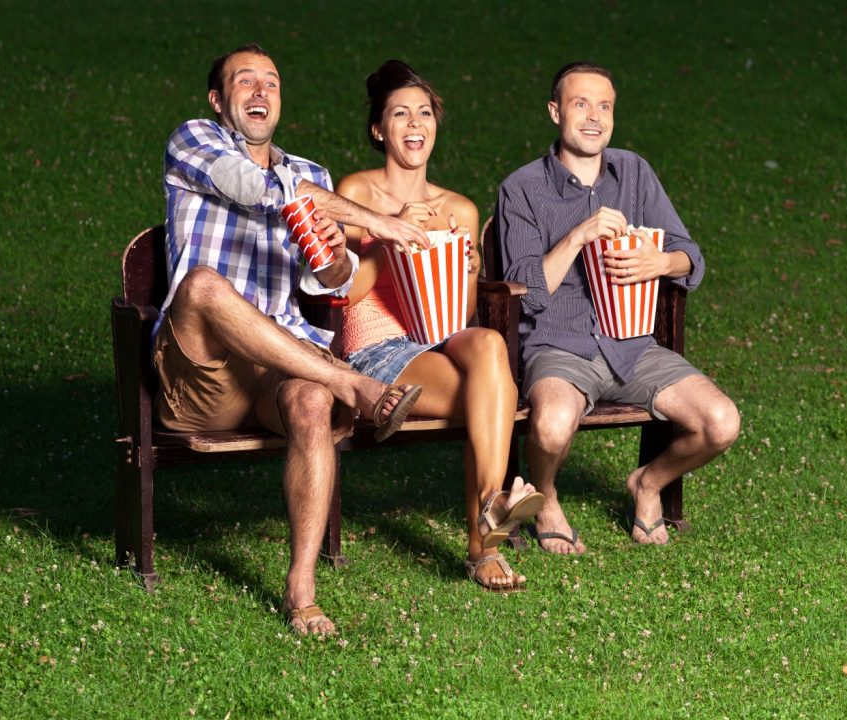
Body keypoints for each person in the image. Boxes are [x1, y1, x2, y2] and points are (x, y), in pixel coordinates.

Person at [156, 44, 434, 637]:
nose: (260, 92)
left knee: (310, 400)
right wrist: (376, 221)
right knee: (204, 285)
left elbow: (327, 281)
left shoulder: (312, 176)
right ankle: (353, 384)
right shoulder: (193, 141)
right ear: (217, 98)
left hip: (274, 364)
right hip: (202, 373)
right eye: (245, 81)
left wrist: (337, 257)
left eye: (272, 83)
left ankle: (301, 588)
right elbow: (256, 188)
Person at [497, 61, 741, 551]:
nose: (594, 116)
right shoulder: (520, 188)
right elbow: (524, 288)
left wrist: (660, 260)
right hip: (558, 346)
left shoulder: (633, 172)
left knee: (722, 422)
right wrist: (576, 237)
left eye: (604, 106)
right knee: (550, 425)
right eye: (580, 103)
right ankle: (545, 496)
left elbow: (691, 257)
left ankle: (647, 484)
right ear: (554, 111)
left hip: (633, 347)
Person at [335, 60, 544, 592]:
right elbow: (341, 294)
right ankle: (486, 543)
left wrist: (463, 265)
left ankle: (492, 505)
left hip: (442, 337)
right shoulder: (355, 194)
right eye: (400, 113)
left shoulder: (461, 208)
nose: (414, 124)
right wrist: (390, 238)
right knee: (490, 393)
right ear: (379, 129)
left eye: (424, 113)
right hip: (377, 345)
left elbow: (458, 314)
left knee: (491, 345)